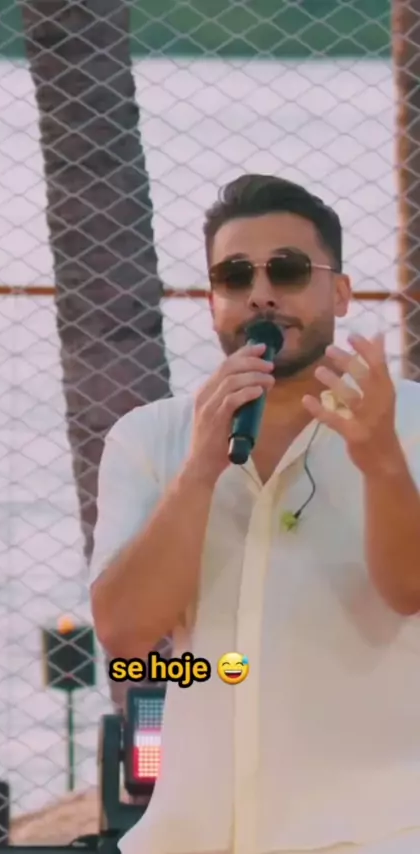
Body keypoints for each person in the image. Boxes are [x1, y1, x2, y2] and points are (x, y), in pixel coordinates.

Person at [90, 174, 420, 854]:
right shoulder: (151, 437)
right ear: (213, 301)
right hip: (188, 837)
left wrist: (383, 462)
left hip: (380, 833)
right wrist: (200, 469)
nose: (261, 293)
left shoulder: (410, 422)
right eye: (235, 275)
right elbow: (126, 633)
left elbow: (409, 590)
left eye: (288, 270)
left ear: (341, 293)